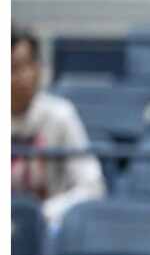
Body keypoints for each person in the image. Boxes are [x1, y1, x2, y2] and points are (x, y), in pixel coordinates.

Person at [11, 29, 105, 229]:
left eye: (19, 67)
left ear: (38, 70)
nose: (15, 78)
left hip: (49, 227)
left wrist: (44, 212)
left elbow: (93, 187)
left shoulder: (60, 115)